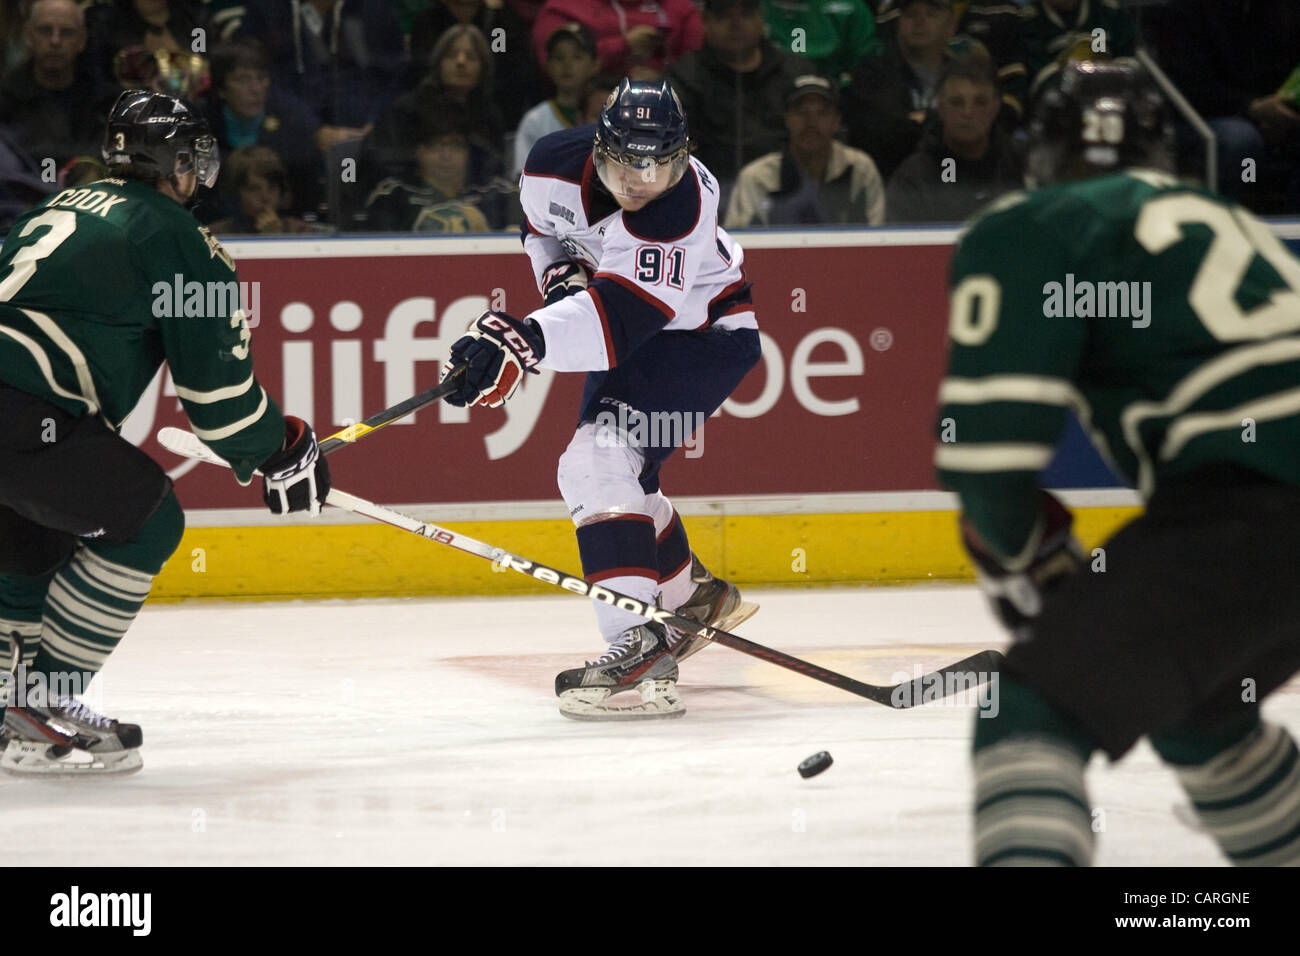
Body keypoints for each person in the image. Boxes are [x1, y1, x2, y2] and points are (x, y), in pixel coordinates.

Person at [935, 60, 1300, 865]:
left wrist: (1021, 556)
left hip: (1259, 504)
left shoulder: (1036, 223)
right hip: (1267, 501)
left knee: (1028, 711)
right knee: (1198, 713)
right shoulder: (1220, 214)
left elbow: (989, 455)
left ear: (1042, 150)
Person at [0, 90, 330, 775]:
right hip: (21, 413)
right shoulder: (176, 237)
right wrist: (282, 445)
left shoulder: (61, 202)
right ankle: (37, 704)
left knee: (33, 538)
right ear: (175, 163)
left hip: (20, 416)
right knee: (147, 519)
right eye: (193, 157)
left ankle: (13, 705)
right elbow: (220, 401)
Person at [439, 80, 760, 720]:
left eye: (659, 164)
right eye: (623, 163)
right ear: (597, 147)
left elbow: (618, 322)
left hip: (702, 337)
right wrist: (559, 276)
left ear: (683, 155)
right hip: (635, 335)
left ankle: (635, 645)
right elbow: (537, 226)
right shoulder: (550, 163)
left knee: (593, 463)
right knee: (617, 472)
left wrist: (522, 338)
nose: (641, 181)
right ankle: (692, 594)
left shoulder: (683, 205)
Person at [666, 0, 811, 191]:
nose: (736, 24)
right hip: (711, 189)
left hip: (788, 188)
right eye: (724, 16)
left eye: (746, 14)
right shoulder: (683, 77)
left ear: (761, 19)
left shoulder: (794, 72)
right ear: (706, 22)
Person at [725, 73, 885, 227]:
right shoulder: (758, 177)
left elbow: (879, 239)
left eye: (822, 113)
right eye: (801, 113)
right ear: (786, 119)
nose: (811, 123)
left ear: (837, 121)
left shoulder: (860, 168)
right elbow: (738, 246)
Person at [885, 49, 1022, 223]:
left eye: (980, 102)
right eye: (957, 102)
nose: (968, 113)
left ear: (995, 107)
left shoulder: (1019, 166)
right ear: (940, 106)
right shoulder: (914, 180)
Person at [0, 0, 121, 170]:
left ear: (82, 40)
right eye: (45, 30)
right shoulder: (6, 98)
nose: (55, 41)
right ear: (28, 36)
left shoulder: (106, 101)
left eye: (67, 32)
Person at [512, 24, 601, 179]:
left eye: (577, 57)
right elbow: (522, 178)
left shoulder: (606, 115)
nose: (567, 65)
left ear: (594, 65)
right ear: (548, 65)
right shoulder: (535, 120)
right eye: (559, 58)